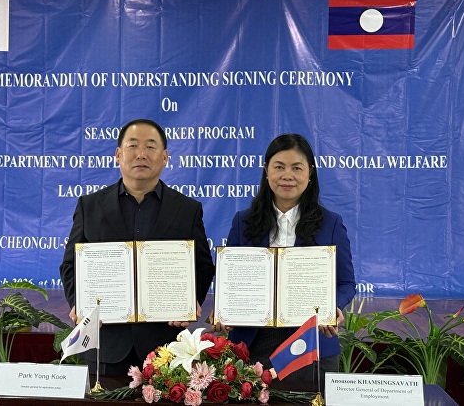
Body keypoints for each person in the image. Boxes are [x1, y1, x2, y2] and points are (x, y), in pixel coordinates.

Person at [60, 118, 215, 375]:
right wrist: (80, 303)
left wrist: (189, 303)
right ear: (118, 155)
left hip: (166, 346)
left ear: (164, 157)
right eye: (132, 146)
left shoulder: (187, 209)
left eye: (150, 147)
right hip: (106, 344)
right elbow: (70, 265)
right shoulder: (90, 206)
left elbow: (203, 266)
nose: (141, 154)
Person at [212, 133, 355, 387]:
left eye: (296, 168)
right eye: (279, 167)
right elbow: (231, 281)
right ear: (266, 171)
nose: (287, 175)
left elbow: (347, 284)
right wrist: (224, 307)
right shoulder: (243, 222)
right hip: (253, 344)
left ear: (310, 174)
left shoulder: (331, 223)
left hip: (312, 343)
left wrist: (332, 306)